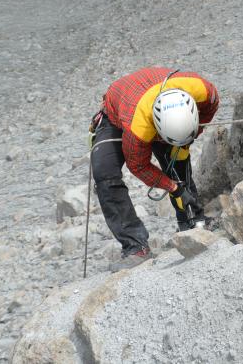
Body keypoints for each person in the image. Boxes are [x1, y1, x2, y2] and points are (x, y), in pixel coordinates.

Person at [89, 67, 219, 271]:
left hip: (154, 104)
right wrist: (174, 188)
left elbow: (206, 114)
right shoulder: (137, 129)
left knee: (177, 159)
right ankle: (136, 247)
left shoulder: (204, 92)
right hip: (117, 115)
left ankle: (192, 221)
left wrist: (191, 136)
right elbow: (139, 166)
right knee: (105, 173)